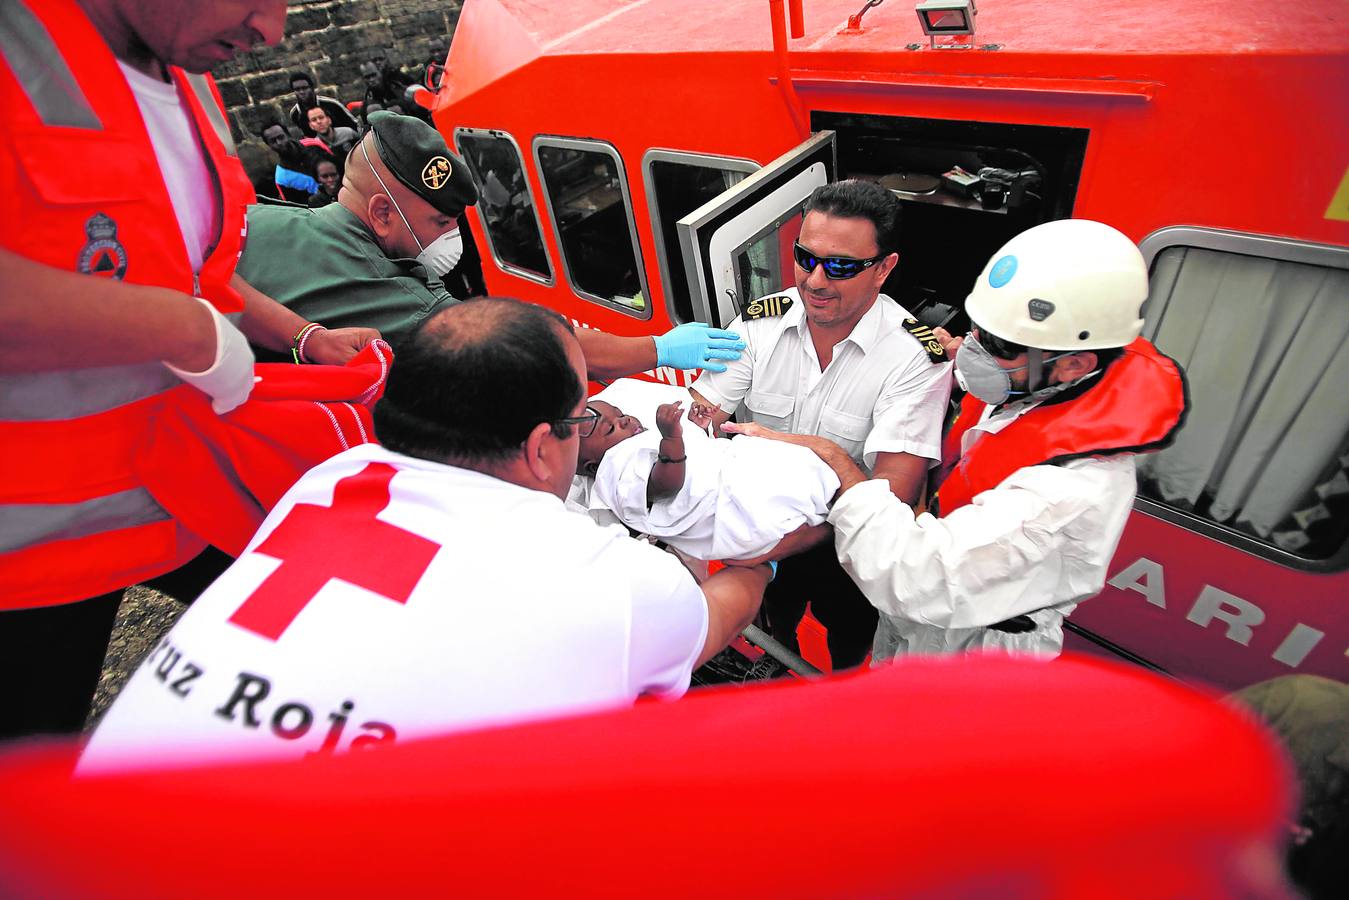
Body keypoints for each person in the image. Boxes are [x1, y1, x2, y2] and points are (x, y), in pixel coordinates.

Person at [78, 298, 773, 771]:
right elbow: (707, 619)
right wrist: (765, 554)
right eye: (579, 411)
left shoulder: (332, 478)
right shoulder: (605, 577)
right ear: (540, 447)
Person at [0, 0, 387, 742]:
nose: (270, 30)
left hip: (182, 479)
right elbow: (176, 307)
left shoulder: (190, 73)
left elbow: (183, 270)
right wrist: (181, 330)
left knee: (338, 643)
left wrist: (299, 335)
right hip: (33, 551)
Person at [731, 219, 1189, 659]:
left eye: (1000, 347)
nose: (974, 350)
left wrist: (835, 459)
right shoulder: (1031, 388)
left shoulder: (1072, 491)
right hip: (917, 626)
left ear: (1074, 365)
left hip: (970, 646)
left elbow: (917, 578)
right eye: (979, 331)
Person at [237, 112, 747, 378]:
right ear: (383, 213)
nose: (450, 237)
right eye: (439, 221)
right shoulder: (391, 295)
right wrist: (659, 347)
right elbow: (532, 345)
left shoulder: (254, 220)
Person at [688, 180, 952, 669]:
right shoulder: (758, 325)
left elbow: (891, 494)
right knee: (774, 623)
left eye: (842, 267)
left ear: (884, 269)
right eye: (805, 257)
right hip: (759, 525)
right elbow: (700, 416)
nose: (814, 280)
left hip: (846, 546)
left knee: (849, 637)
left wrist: (777, 543)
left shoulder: (915, 359)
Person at [571, 386, 839, 561]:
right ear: (593, 466)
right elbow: (666, 484)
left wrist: (696, 428)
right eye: (611, 428)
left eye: (621, 415)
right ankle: (827, 498)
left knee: (773, 461)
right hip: (724, 504)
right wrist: (672, 437)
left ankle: (826, 494)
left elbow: (693, 460)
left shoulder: (634, 446)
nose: (625, 421)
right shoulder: (614, 470)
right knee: (771, 482)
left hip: (721, 476)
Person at [261, 121, 321, 202]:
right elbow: (296, 207)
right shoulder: (281, 177)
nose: (279, 143)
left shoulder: (314, 145)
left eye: (281, 137)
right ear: (269, 145)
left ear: (288, 135)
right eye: (273, 141)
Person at [286, 71, 357, 137]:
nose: (301, 92)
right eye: (297, 89)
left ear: (312, 88)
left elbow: (354, 125)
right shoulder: (295, 114)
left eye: (304, 88)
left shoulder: (332, 104)